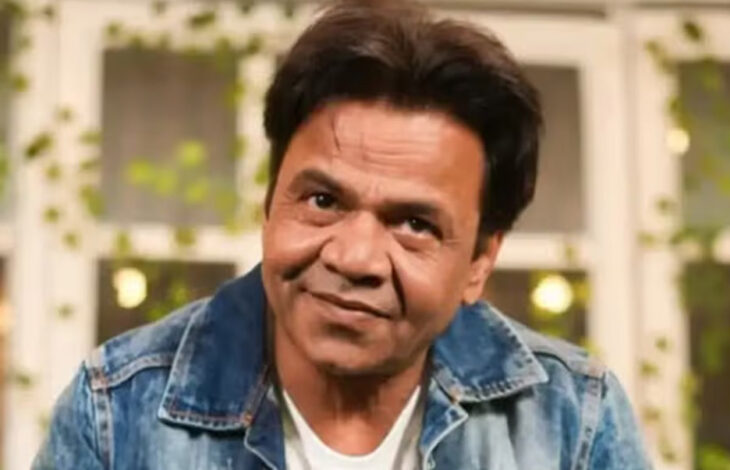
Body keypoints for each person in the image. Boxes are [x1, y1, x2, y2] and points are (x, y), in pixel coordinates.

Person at [34, 0, 651, 468]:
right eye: (323, 201)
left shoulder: (572, 420)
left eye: (415, 224)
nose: (355, 258)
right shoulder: (116, 413)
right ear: (269, 205)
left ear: (479, 262)